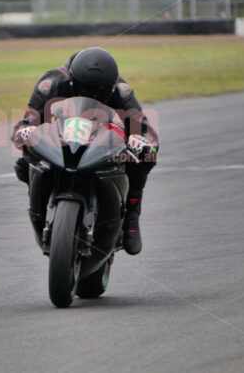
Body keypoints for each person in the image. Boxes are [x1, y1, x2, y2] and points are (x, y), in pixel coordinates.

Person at [12, 47, 158, 255]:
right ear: (72, 81)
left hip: (101, 141)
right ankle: (37, 199)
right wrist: (26, 132)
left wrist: (141, 141)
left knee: (144, 158)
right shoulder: (50, 85)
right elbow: (27, 123)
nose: (92, 94)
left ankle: (132, 213)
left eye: (98, 91)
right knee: (23, 163)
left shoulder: (120, 90)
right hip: (60, 141)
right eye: (85, 89)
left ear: (108, 87)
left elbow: (146, 131)